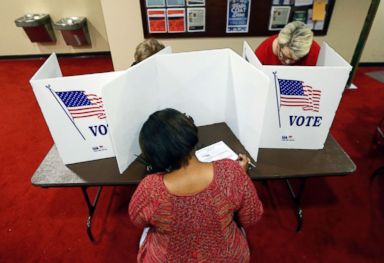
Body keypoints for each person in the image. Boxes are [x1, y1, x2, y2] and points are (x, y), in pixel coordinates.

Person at [129, 108, 263, 262]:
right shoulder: (231, 172)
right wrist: (241, 176)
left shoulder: (150, 188)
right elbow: (251, 217)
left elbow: (137, 220)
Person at [255, 21, 320, 66]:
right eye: (283, 55)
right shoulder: (262, 53)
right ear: (278, 44)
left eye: (293, 59)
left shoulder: (315, 53)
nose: (287, 62)